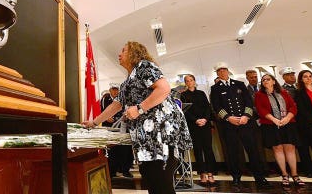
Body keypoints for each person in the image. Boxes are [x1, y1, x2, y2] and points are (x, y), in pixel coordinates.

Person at [82, 41, 191, 194]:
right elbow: (116, 104)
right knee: (150, 178)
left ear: (134, 53)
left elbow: (164, 88)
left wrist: (139, 108)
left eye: (123, 50)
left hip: (161, 134)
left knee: (161, 181)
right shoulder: (128, 80)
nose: (119, 54)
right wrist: (94, 122)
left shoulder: (144, 66)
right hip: (146, 137)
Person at [210, 62, 270, 187]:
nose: (222, 72)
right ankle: (236, 177)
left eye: (224, 70)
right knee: (233, 152)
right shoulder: (215, 88)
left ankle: (259, 177)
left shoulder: (239, 84)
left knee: (253, 150)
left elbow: (248, 102)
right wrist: (228, 117)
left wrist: (246, 116)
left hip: (245, 123)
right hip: (229, 125)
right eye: (219, 71)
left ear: (228, 71)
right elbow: (216, 107)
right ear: (217, 73)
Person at [254, 73, 303, 187]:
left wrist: (287, 118)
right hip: (271, 125)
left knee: (290, 148)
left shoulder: (284, 92)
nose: (265, 81)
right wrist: (274, 120)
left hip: (288, 123)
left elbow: (293, 106)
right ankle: (284, 174)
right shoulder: (259, 95)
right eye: (263, 80)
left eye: (268, 79)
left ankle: (295, 175)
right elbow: (261, 110)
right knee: (278, 148)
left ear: (274, 81)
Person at [178, 74, 217, 185]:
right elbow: (185, 111)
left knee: (208, 149)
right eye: (187, 81)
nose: (190, 82)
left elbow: (207, 108)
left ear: (194, 81)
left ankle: (210, 173)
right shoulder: (183, 95)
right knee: (198, 150)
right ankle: (202, 173)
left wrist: (205, 119)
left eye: (191, 80)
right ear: (185, 83)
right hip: (193, 125)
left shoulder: (201, 93)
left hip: (205, 124)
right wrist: (196, 120)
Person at [280, 66, 312, 177]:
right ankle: (308, 170)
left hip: (308, 121)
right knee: (302, 147)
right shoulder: (282, 90)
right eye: (289, 75)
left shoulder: (300, 87)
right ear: (284, 77)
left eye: (293, 74)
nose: (292, 76)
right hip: (295, 121)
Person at [102, 85, 135, 178]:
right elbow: (103, 112)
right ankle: (112, 171)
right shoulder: (105, 99)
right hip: (110, 130)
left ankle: (125, 170)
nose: (115, 92)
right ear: (110, 90)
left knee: (126, 150)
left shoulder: (124, 99)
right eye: (114, 89)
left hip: (124, 127)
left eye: (117, 90)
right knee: (112, 150)